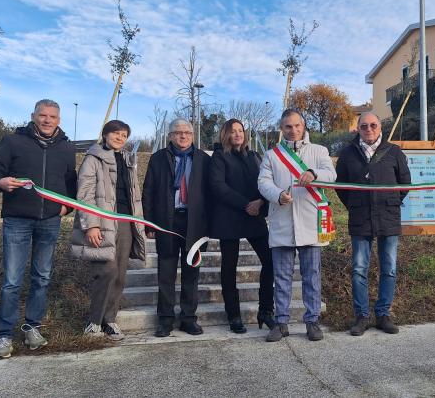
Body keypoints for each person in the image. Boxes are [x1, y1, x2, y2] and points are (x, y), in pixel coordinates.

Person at [0, 99, 77, 360]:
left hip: (50, 220)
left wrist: (65, 209)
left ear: (59, 120)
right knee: (12, 280)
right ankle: (4, 336)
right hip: (17, 219)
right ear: (33, 116)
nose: (47, 120)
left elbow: (72, 184)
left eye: (52, 117)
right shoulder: (13, 141)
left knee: (42, 277)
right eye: (42, 115)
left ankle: (32, 329)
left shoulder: (67, 149)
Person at [258, 109, 336, 342]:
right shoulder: (272, 155)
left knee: (312, 276)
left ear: (304, 126)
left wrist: (313, 173)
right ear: (282, 129)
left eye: (297, 126)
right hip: (282, 221)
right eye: (288, 127)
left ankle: (312, 321)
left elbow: (331, 174)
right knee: (281, 278)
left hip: (310, 222)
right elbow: (263, 182)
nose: (293, 130)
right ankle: (281, 322)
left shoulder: (319, 151)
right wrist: (278, 195)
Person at [335, 112, 411, 336]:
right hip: (360, 218)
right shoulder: (348, 154)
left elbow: (405, 183)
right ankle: (361, 316)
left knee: (389, 268)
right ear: (357, 128)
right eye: (364, 126)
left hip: (388, 217)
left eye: (373, 125)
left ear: (380, 128)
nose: (369, 129)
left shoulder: (394, 152)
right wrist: (355, 205)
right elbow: (341, 186)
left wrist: (391, 203)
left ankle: (383, 314)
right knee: (359, 269)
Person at [70, 120, 146, 341]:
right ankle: (94, 321)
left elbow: (134, 195)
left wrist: (138, 223)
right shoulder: (93, 158)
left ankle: (110, 320)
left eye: (124, 135)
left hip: (126, 223)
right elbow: (84, 193)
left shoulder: (128, 160)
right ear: (105, 134)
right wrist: (91, 224)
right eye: (116, 133)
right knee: (106, 271)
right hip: (102, 222)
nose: (120, 138)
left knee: (120, 273)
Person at [143, 119, 211, 337]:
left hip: (194, 224)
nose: (183, 136)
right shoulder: (158, 158)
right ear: (170, 136)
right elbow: (149, 191)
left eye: (187, 133)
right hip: (166, 222)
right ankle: (165, 319)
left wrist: (209, 225)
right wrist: (149, 222)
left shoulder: (202, 159)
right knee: (166, 272)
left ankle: (189, 318)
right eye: (178, 133)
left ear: (193, 135)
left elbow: (211, 193)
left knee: (192, 272)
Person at [209, 119, 275, 333]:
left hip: (253, 217)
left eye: (240, 130)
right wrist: (245, 204)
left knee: (271, 261)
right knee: (229, 268)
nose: (237, 134)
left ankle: (265, 310)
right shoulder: (219, 156)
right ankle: (234, 316)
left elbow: (265, 183)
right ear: (225, 134)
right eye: (233, 131)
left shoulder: (255, 156)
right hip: (230, 217)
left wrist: (260, 202)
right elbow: (218, 187)